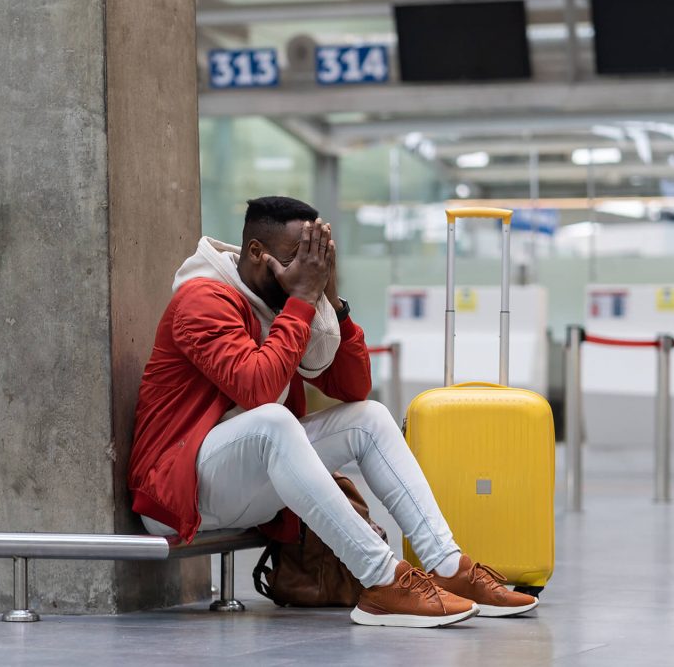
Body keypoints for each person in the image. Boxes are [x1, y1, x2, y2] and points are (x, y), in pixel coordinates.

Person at [129, 196, 538, 628]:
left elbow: (352, 387)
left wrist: (332, 300)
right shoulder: (202, 300)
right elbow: (258, 390)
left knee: (370, 417)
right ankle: (382, 581)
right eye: (296, 258)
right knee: (274, 421)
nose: (308, 269)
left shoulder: (284, 301)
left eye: (317, 259)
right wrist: (304, 297)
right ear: (255, 252)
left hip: (243, 485)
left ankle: (448, 565)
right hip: (179, 490)